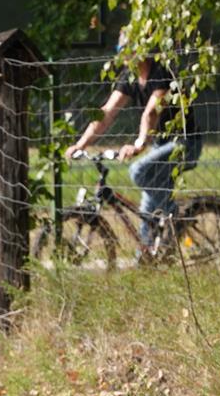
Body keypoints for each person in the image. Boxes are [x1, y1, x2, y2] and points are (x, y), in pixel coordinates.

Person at [66, 36, 201, 246]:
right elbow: (106, 113)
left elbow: (151, 113)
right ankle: (149, 261)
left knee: (138, 171)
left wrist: (139, 144)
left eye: (128, 48)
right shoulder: (130, 77)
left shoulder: (161, 72)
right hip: (161, 146)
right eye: (120, 48)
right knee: (147, 213)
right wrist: (81, 144)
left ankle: (178, 219)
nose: (124, 53)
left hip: (184, 143)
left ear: (143, 49)